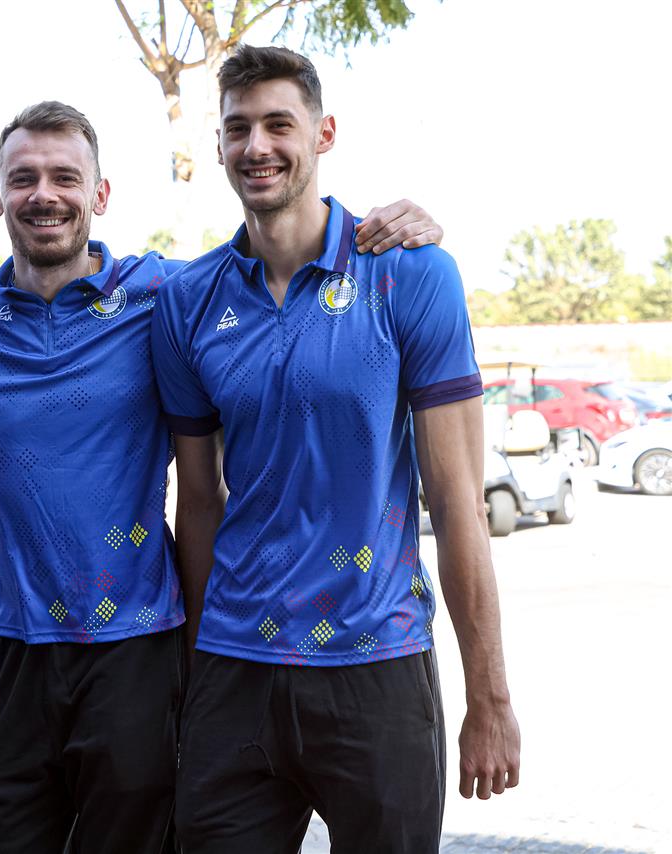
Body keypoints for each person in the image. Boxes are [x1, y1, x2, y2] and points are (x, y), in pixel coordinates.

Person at [0, 103, 442, 853]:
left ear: (101, 195)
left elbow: (270, 265)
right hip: (12, 646)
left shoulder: (167, 294)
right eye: (22, 178)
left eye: (65, 177)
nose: (43, 194)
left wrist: (400, 228)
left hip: (137, 648)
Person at [152, 44, 520, 852]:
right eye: (238, 128)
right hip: (235, 673)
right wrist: (197, 673)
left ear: (322, 135)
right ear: (218, 145)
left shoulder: (411, 275)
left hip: (377, 665)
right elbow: (199, 502)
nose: (257, 146)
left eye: (278, 124)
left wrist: (489, 698)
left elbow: (459, 501)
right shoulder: (186, 302)